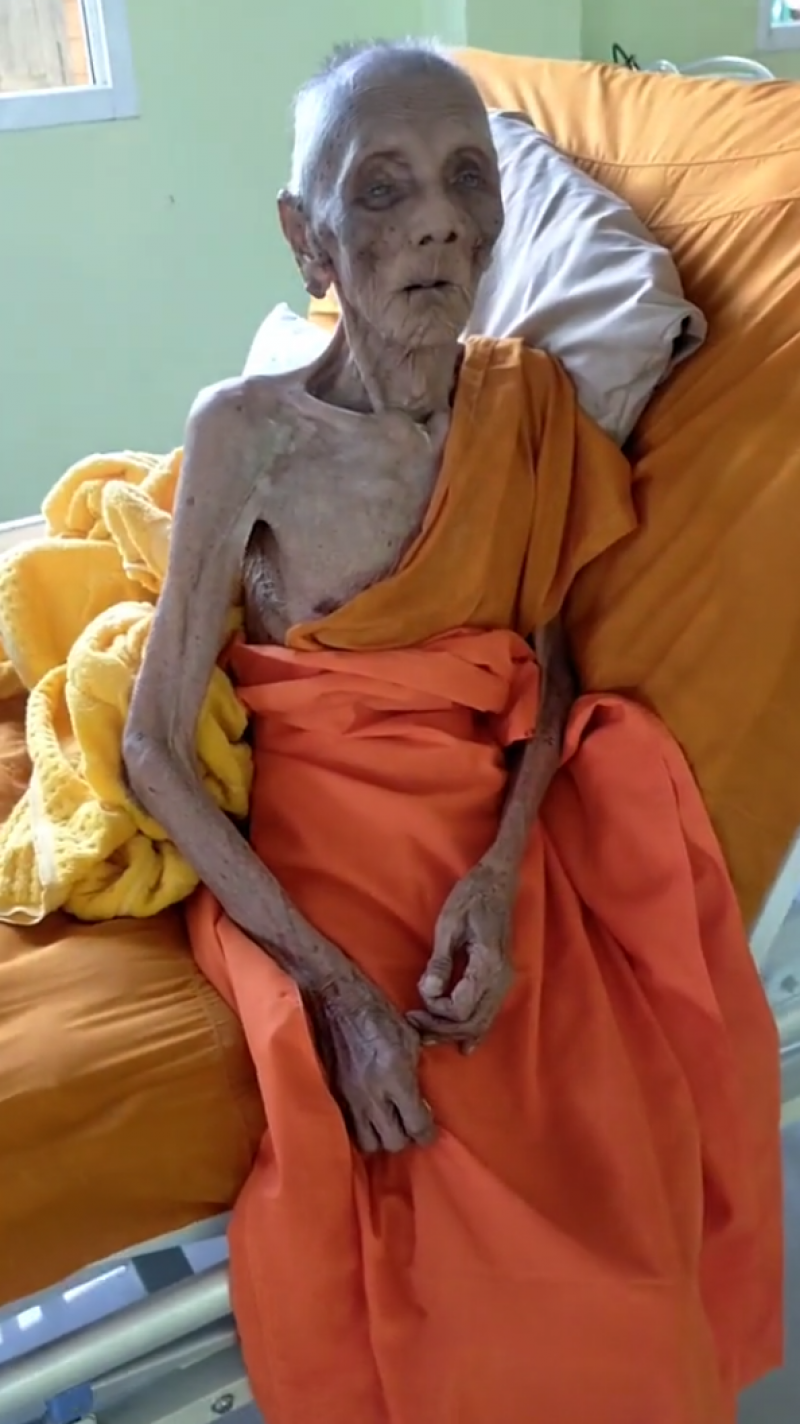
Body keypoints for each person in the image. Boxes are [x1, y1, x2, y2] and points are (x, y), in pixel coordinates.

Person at [123, 39, 781, 1424]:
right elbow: (153, 749)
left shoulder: (524, 406)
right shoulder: (249, 434)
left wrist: (501, 868)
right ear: (306, 238)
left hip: (482, 831)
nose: (436, 220)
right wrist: (339, 999)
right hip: (324, 847)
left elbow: (546, 653)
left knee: (612, 1161)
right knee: (431, 1186)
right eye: (383, 190)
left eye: (467, 179)